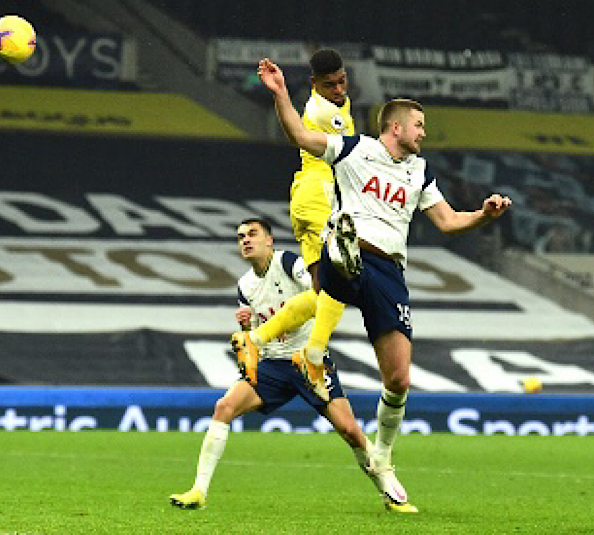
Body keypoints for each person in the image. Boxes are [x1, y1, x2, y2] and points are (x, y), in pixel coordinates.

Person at [256, 58, 513, 508]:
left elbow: (448, 222)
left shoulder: (420, 172)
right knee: (339, 247)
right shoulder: (353, 149)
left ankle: (383, 457)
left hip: (389, 272)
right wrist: (280, 92)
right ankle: (317, 332)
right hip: (349, 254)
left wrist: (483, 216)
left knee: (398, 379)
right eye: (419, 125)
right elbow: (299, 136)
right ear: (394, 128)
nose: (424, 133)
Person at [170, 218, 417, 513]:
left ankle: (389, 494)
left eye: (252, 234)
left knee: (350, 430)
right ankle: (198, 491)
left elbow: (322, 294)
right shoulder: (244, 285)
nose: (245, 241)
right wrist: (249, 325)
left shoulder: (290, 263)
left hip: (307, 362)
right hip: (272, 364)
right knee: (224, 407)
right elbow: (256, 334)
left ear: (269, 240)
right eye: (240, 237)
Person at [231, 48, 355, 403]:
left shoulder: (338, 104)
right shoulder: (323, 110)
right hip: (319, 199)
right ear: (315, 85)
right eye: (329, 84)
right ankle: (310, 355)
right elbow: (298, 135)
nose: (338, 89)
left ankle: (255, 340)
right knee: (341, 285)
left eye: (341, 81)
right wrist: (281, 94)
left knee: (320, 293)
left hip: (309, 197)